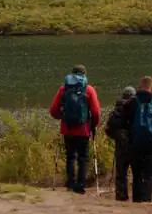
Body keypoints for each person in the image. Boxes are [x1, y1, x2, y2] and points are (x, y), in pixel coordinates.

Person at [47, 64, 102, 194]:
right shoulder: (89, 90)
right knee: (83, 158)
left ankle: (70, 184)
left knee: (70, 156)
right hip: (83, 130)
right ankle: (80, 185)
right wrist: (93, 126)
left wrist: (62, 117)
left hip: (67, 129)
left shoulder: (63, 89)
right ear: (84, 75)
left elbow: (53, 110)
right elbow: (96, 112)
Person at [127, 75, 152, 203]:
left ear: (140, 86)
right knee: (149, 175)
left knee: (137, 174)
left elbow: (123, 121)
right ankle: (146, 201)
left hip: (135, 144)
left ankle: (137, 201)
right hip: (151, 144)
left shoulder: (132, 103)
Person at [104, 85, 138, 200]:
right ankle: (138, 196)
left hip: (120, 145)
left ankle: (121, 195)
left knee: (121, 172)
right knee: (137, 171)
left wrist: (116, 137)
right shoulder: (136, 108)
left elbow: (108, 129)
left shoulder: (116, 110)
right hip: (134, 144)